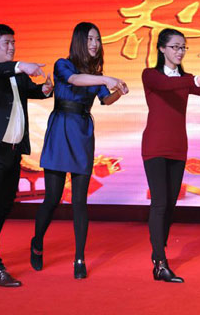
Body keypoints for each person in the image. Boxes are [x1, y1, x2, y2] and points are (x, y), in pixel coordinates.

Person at [31, 22, 128, 279]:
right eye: (89, 39)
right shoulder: (63, 64)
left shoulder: (95, 75)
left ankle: (79, 258)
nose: (95, 44)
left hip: (82, 133)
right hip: (61, 129)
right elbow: (74, 80)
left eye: (97, 39)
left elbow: (106, 99)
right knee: (52, 198)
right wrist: (105, 79)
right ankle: (37, 243)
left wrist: (119, 91)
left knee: (79, 202)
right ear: (78, 42)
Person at [0, 24, 53, 287]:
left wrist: (45, 89)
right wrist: (19, 66)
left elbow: (32, 91)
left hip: (13, 152)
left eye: (13, 42)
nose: (12, 47)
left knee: (5, 205)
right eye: (6, 42)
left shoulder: (17, 74)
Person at [142, 28, 200, 283]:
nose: (179, 51)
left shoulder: (185, 79)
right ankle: (160, 261)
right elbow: (168, 85)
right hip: (155, 146)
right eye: (175, 47)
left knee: (171, 204)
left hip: (178, 147)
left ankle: (158, 251)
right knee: (159, 203)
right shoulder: (151, 75)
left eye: (183, 47)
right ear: (162, 48)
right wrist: (195, 80)